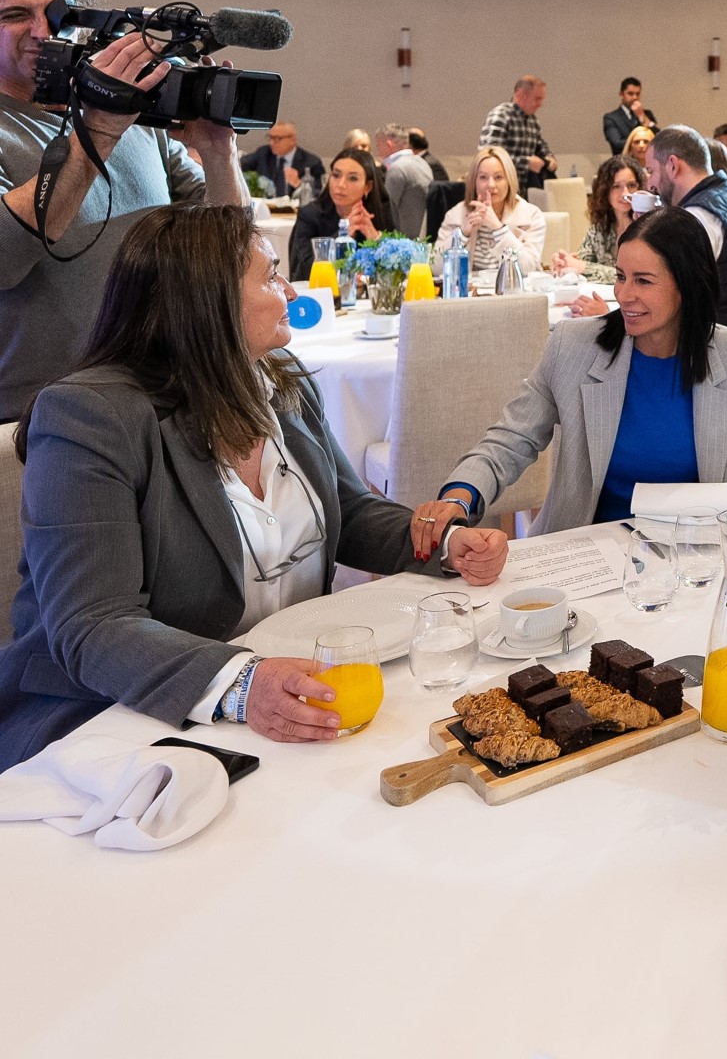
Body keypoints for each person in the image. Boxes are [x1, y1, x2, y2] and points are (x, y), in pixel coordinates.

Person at [0, 204, 510, 769]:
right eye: (269, 275)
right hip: (119, 720)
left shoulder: (277, 379)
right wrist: (243, 686)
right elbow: (94, 627)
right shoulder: (91, 418)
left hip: (285, 697)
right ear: (207, 302)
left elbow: (347, 511)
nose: (290, 291)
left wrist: (440, 541)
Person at [415, 207, 727, 543]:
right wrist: (461, 494)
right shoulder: (574, 347)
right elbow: (510, 440)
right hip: (583, 552)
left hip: (695, 555)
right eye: (620, 277)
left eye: (643, 281)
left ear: (687, 286)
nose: (623, 294)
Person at [0, 0, 244, 422]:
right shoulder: (110, 116)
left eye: (58, 14)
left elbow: (224, 247)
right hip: (37, 419)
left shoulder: (135, 117)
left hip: (163, 400)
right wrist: (100, 127)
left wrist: (220, 154)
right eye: (13, 16)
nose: (44, 32)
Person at [643, 124, 727, 342]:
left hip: (723, 350)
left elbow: (669, 300)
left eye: (651, 171)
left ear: (673, 165)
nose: (650, 184)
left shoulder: (698, 216)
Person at [435, 145, 545, 282]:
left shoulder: (531, 215)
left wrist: (498, 228)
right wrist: (463, 234)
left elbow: (527, 267)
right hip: (470, 297)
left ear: (509, 180)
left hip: (514, 295)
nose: (491, 185)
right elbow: (436, 267)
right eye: (483, 177)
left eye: (498, 177)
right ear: (474, 182)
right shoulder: (456, 214)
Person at [288, 148, 394, 282]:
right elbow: (300, 270)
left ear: (368, 186)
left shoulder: (381, 214)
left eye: (353, 178)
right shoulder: (310, 215)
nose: (341, 185)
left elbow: (397, 272)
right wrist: (343, 235)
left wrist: (375, 238)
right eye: (336, 175)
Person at [552, 153, 644, 287]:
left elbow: (633, 278)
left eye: (631, 185)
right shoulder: (600, 228)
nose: (625, 193)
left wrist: (583, 267)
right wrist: (565, 262)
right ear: (605, 190)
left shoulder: (646, 228)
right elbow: (582, 260)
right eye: (616, 186)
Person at [479, 74, 554, 187]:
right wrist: (526, 162)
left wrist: (549, 157)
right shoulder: (501, 116)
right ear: (521, 95)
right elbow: (489, 154)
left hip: (523, 192)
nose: (540, 104)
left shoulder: (533, 121)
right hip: (498, 190)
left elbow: (540, 145)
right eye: (537, 99)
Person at [373, 122, 432, 238]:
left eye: (378, 146)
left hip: (404, 241)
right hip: (424, 235)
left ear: (389, 145)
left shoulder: (397, 169)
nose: (377, 150)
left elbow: (385, 210)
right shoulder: (423, 163)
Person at [240, 122, 324, 198]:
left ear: (292, 140)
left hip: (294, 212)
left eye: (277, 139)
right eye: (270, 137)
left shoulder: (312, 162)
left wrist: (299, 184)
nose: (271, 143)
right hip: (266, 208)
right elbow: (240, 165)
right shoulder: (263, 153)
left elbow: (318, 195)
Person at [602, 76, 657, 155]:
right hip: (623, 162)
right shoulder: (611, 118)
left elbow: (658, 137)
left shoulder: (647, 114)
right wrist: (640, 142)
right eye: (630, 94)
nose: (635, 97)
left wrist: (643, 118)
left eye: (637, 94)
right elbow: (616, 142)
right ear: (621, 95)